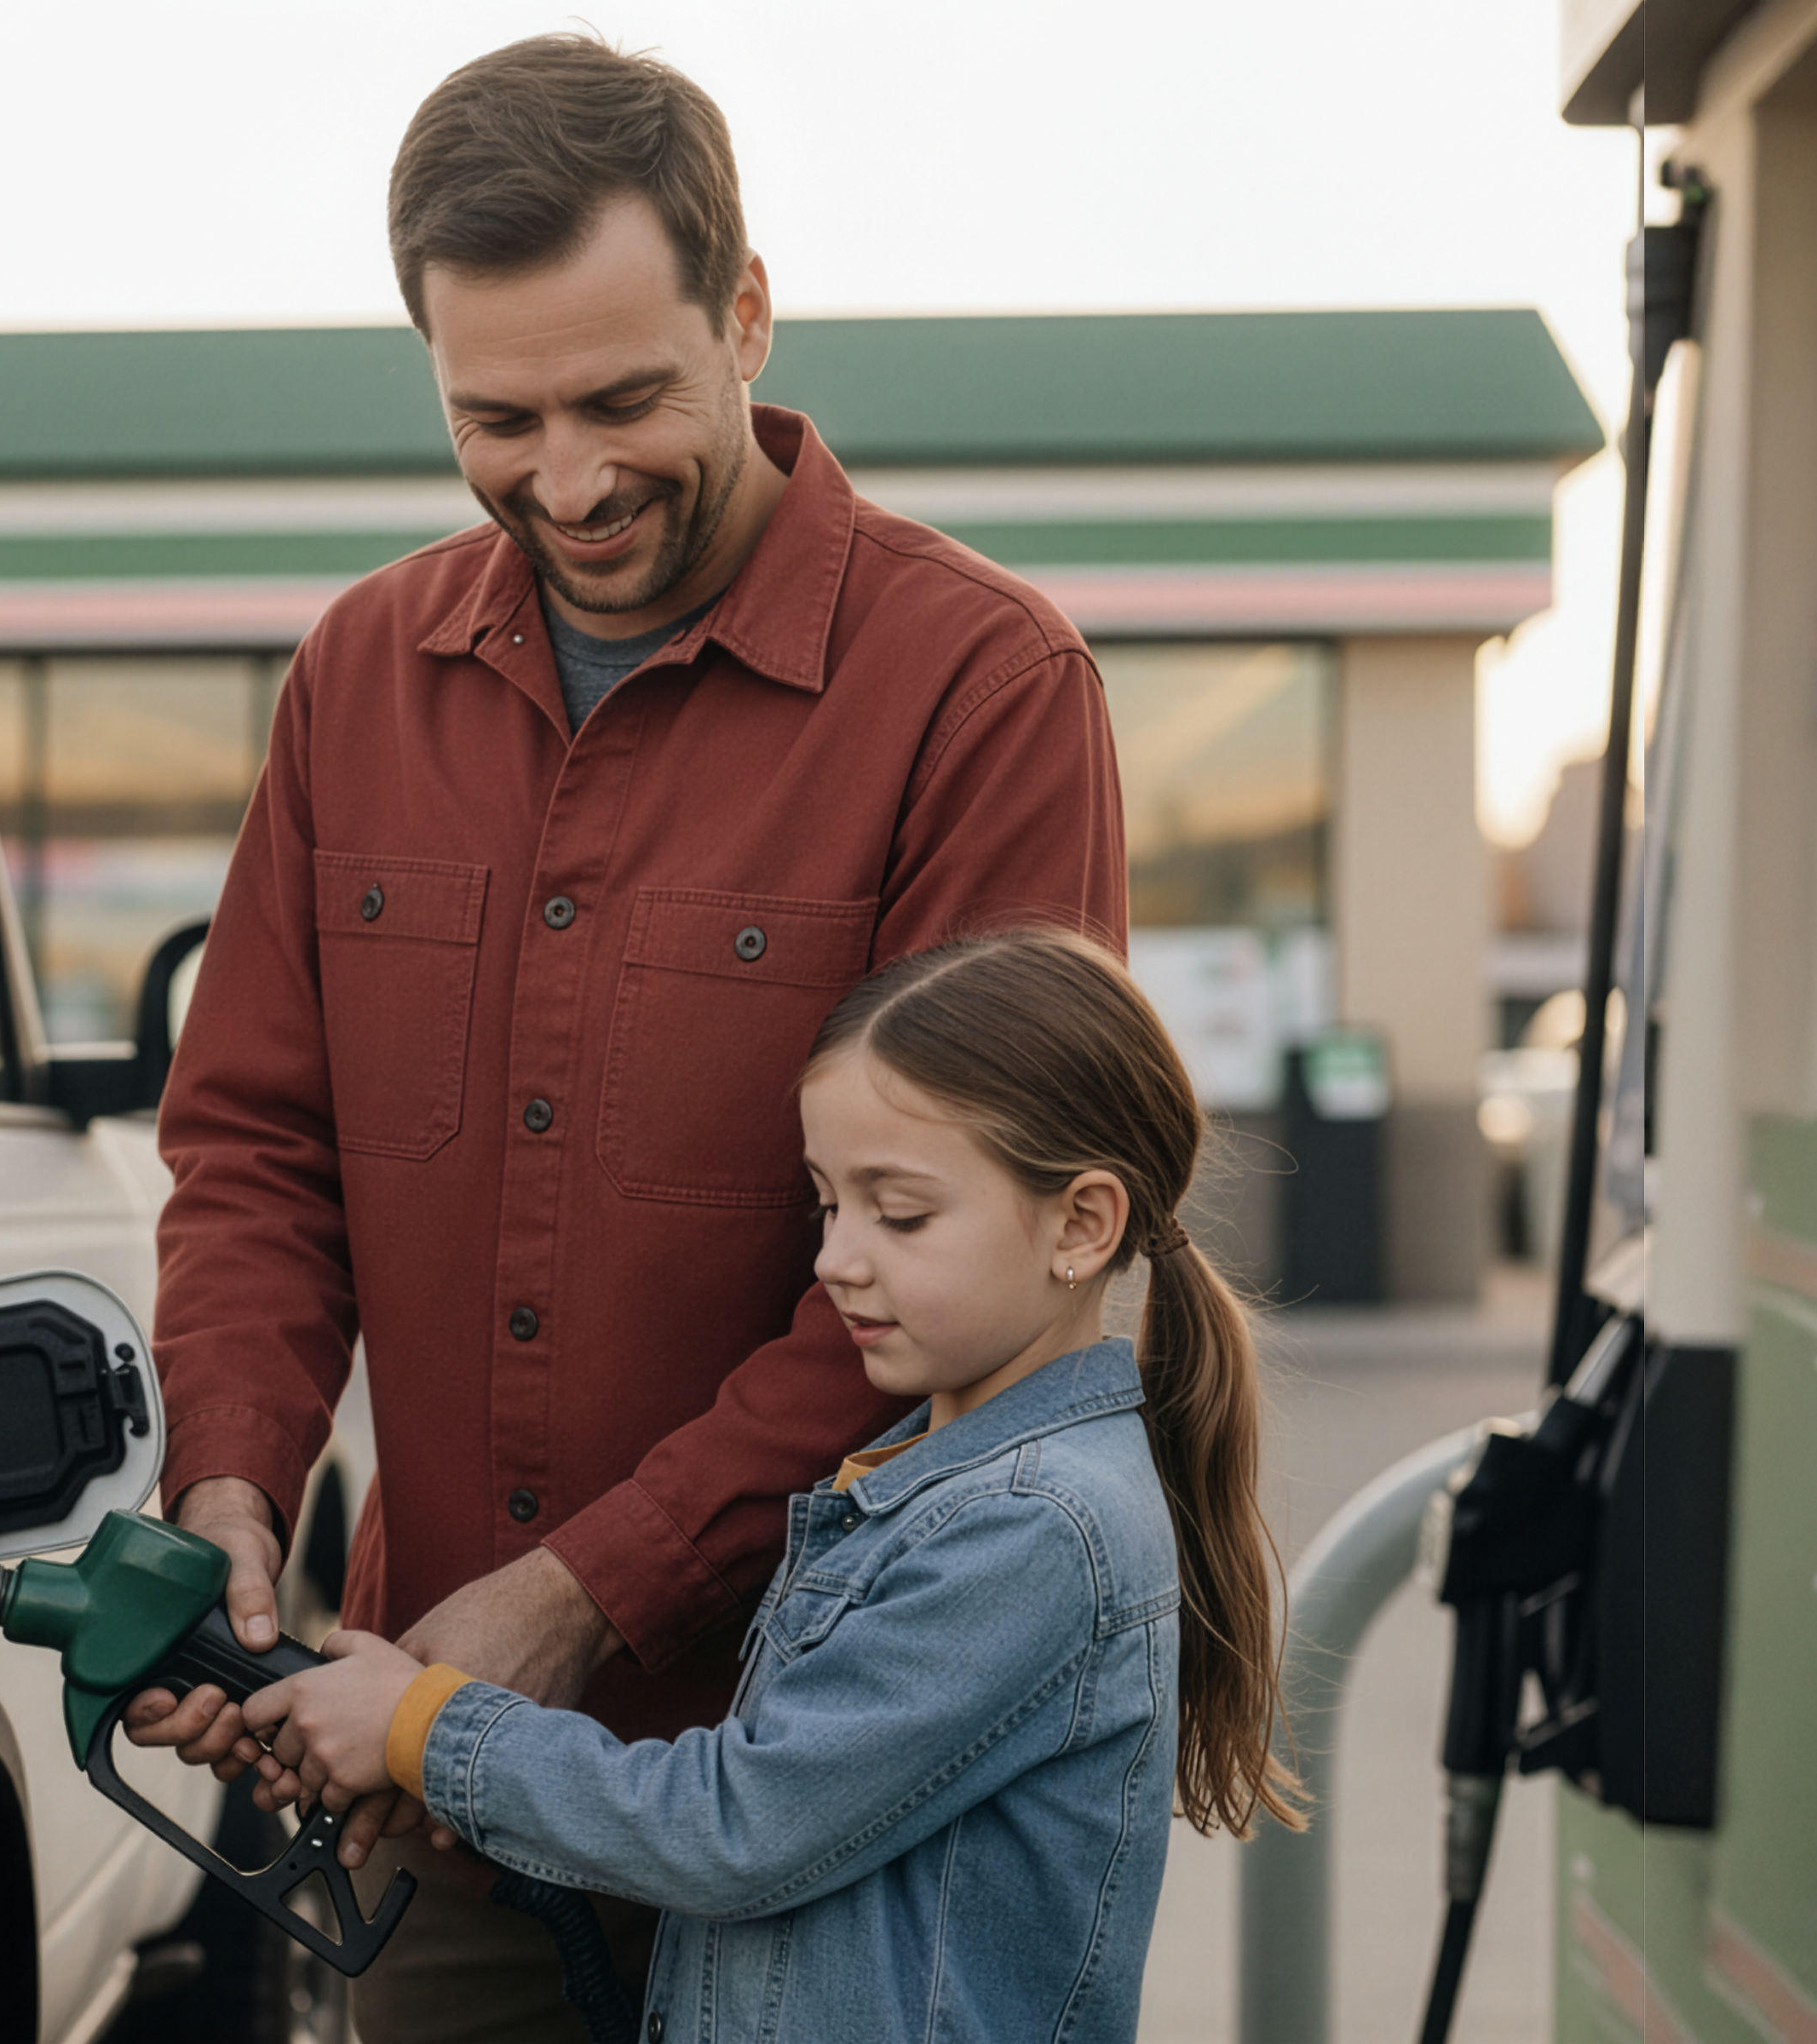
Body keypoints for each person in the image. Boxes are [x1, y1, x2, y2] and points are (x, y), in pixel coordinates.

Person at [129, 33, 1127, 2036]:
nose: (566, 482)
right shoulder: (356, 680)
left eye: (623, 400)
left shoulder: (983, 692)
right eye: (495, 418)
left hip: (849, 1805)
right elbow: (256, 1148)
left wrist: (586, 1593)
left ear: (745, 314)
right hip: (455, 1804)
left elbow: (976, 1252)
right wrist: (229, 1491)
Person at [240, 927, 1304, 2044]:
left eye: (900, 1215)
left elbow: (737, 1828)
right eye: (827, 1204)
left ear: (1081, 1224)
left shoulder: (1031, 1526)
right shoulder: (929, 1469)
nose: (837, 1257)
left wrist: (425, 1726)